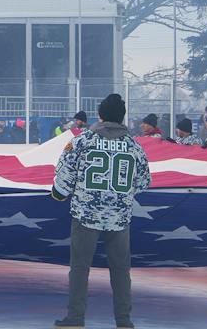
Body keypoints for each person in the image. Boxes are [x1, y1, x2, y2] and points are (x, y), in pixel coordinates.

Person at [51, 93, 149, 329]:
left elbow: (64, 174)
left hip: (86, 214)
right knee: (120, 270)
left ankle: (75, 318)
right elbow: (143, 181)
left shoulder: (83, 140)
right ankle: (124, 321)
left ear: (101, 115)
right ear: (122, 117)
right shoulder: (134, 146)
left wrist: (59, 193)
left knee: (80, 268)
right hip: (119, 217)